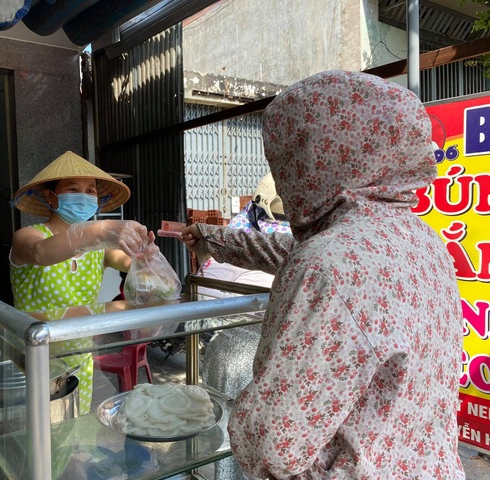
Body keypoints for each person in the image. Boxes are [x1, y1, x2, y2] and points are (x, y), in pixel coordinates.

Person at [182, 70, 464, 479]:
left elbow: (273, 442)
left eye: (285, 159)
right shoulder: (421, 239)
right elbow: (290, 250)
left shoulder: (325, 265)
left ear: (316, 159)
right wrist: (213, 238)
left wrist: (231, 419)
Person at [9, 150, 153, 415]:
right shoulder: (27, 235)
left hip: (80, 363)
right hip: (33, 363)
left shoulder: (100, 248)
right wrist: (96, 230)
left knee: (74, 439)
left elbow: (131, 263)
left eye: (91, 191)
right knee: (37, 446)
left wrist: (147, 258)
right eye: (73, 188)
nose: (84, 196)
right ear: (51, 197)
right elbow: (41, 252)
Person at [196, 173, 293, 480]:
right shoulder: (310, 238)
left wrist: (203, 251)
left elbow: (204, 294)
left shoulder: (242, 233)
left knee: (229, 437)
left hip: (235, 354)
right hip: (280, 358)